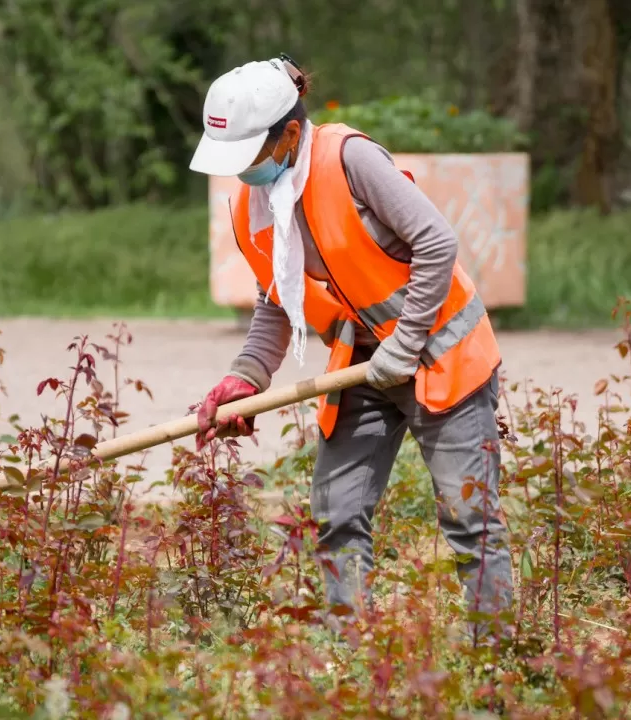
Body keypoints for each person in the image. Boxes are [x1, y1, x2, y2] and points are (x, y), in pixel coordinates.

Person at [187, 54, 513, 642]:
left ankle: (499, 665)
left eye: (248, 157)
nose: (241, 175)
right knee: (337, 516)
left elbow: (437, 242)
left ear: (289, 133)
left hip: (444, 357)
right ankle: (353, 662)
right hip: (359, 367)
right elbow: (276, 302)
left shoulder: (349, 159)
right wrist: (245, 377)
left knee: (472, 521)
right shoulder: (252, 206)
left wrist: (406, 343)